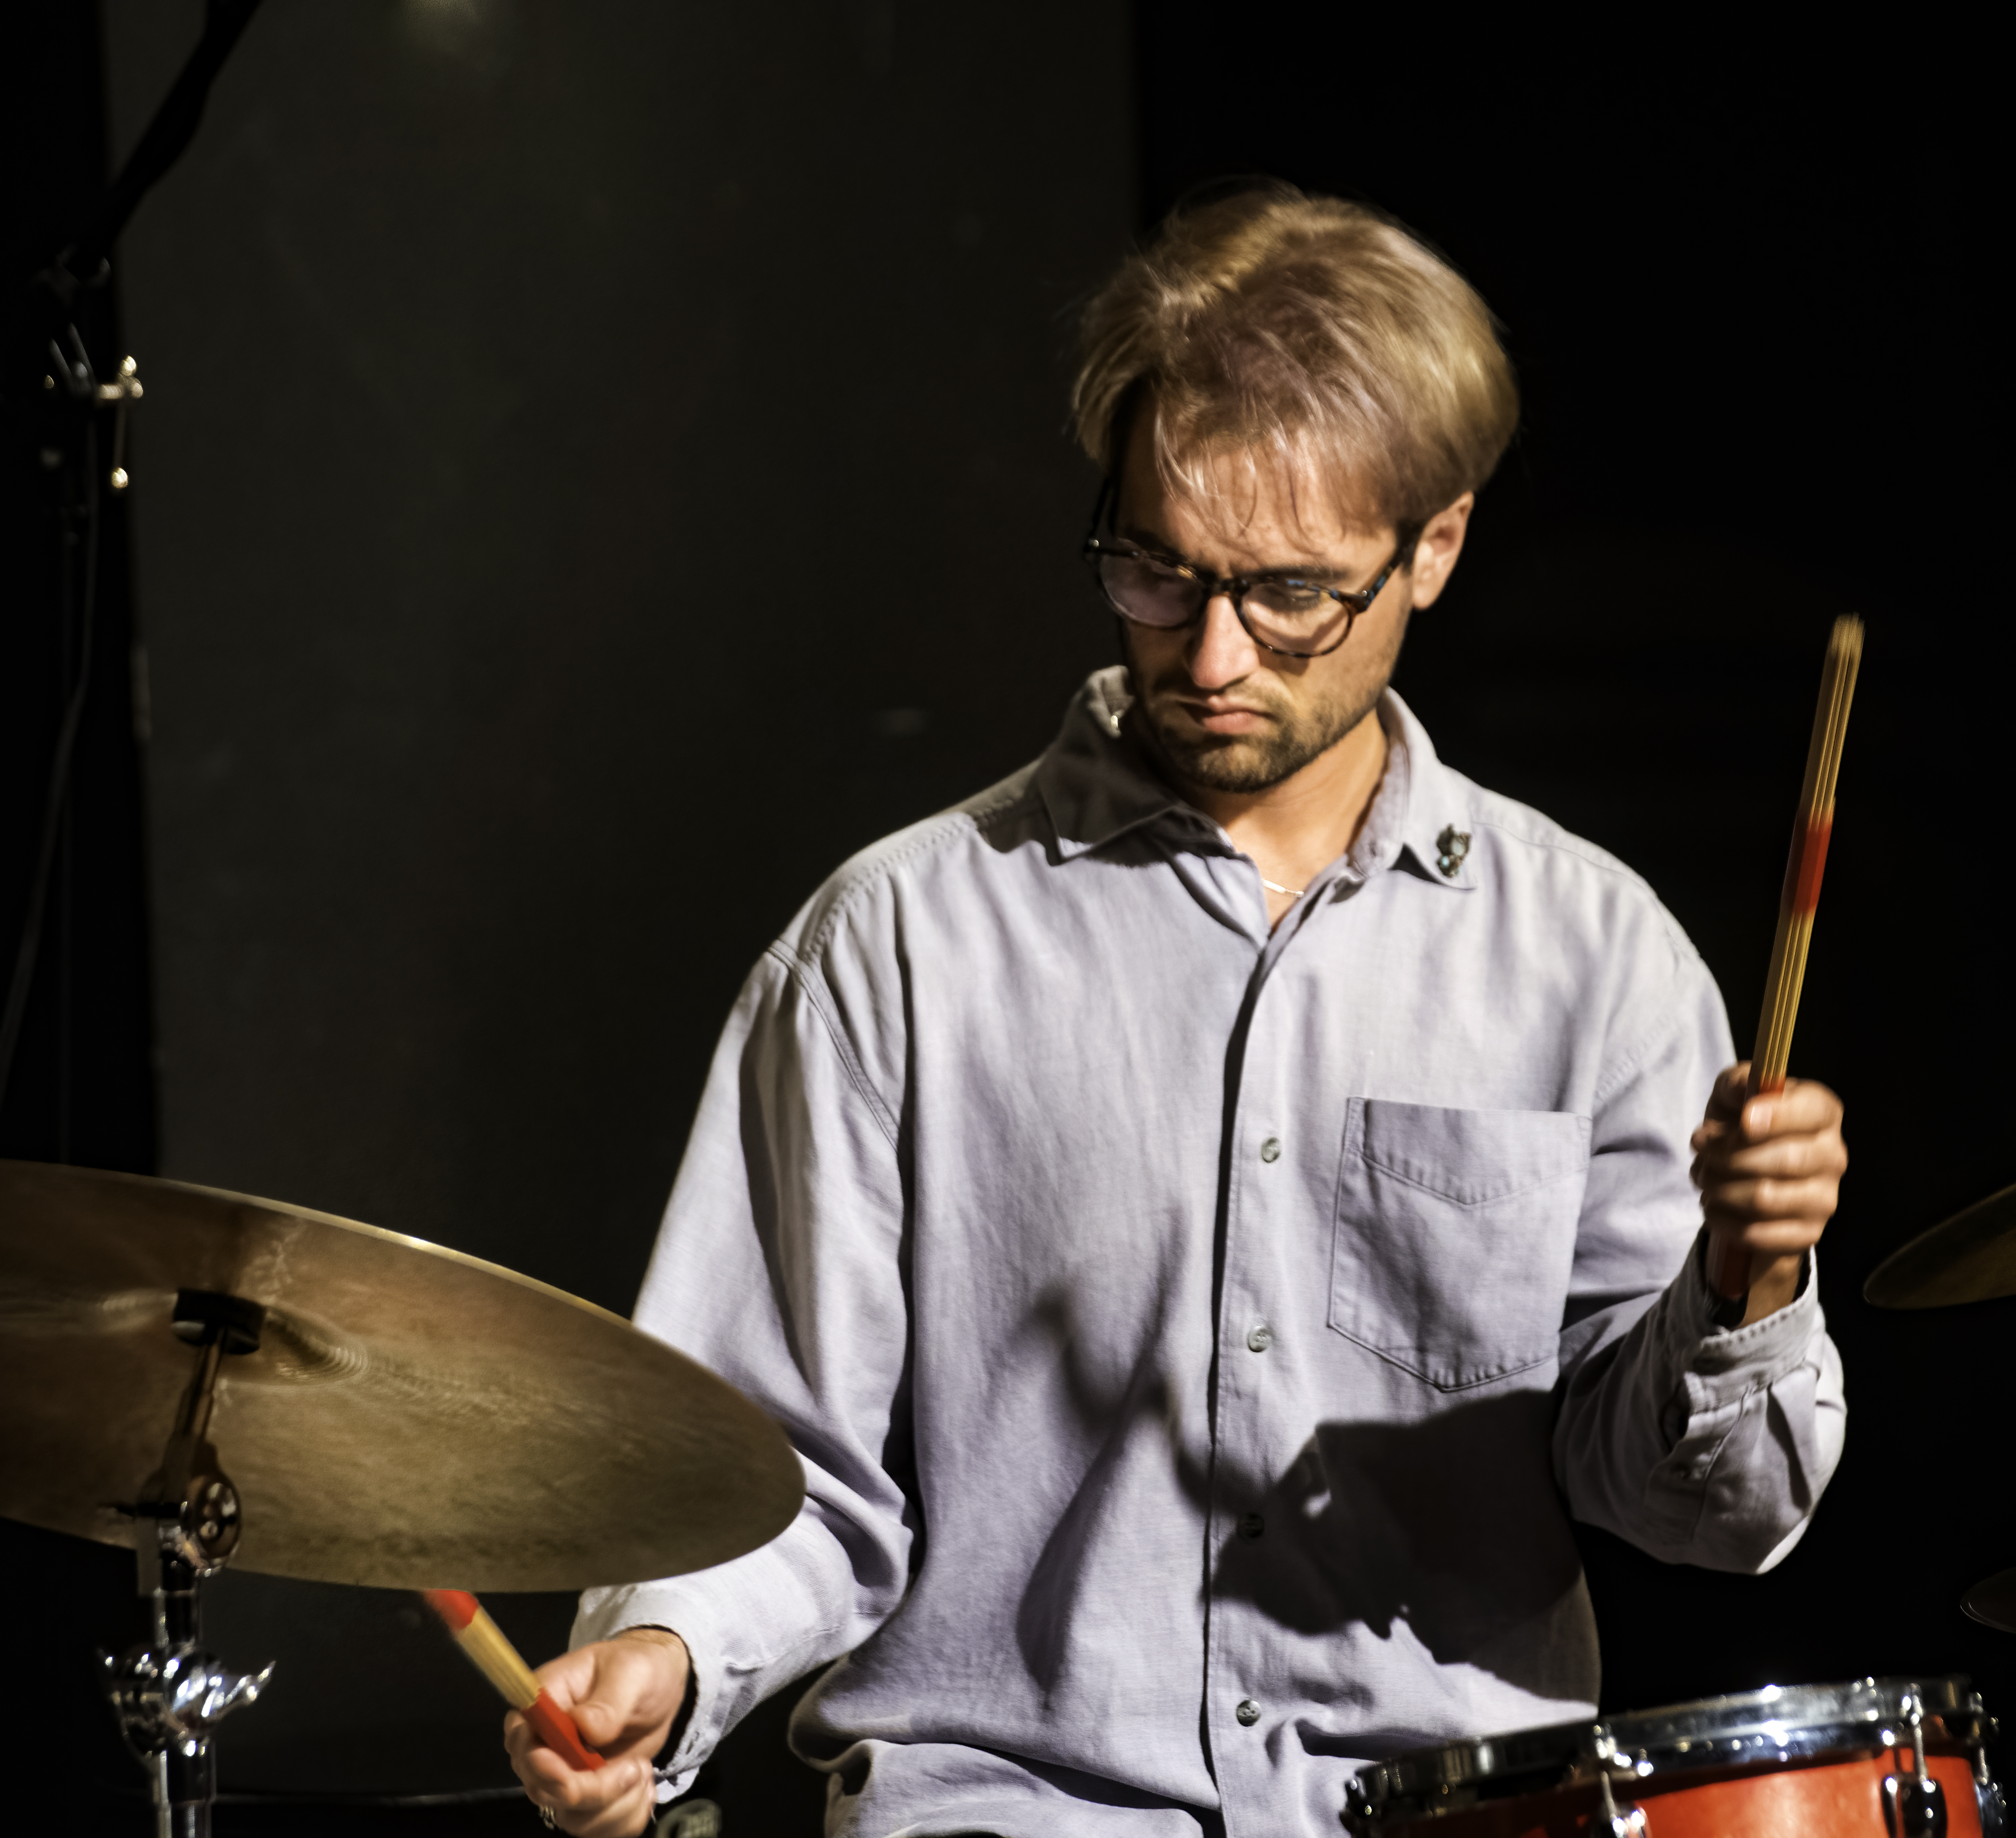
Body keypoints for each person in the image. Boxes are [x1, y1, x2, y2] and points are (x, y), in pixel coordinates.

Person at [505, 182, 1849, 1837]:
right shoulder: (892, 944)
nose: (1208, 652)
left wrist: (1747, 1275)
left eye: (1289, 593)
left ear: (1433, 544)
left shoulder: (1591, 951)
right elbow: (776, 1462)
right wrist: (664, 1644)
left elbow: (1706, 1514)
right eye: (1153, 570)